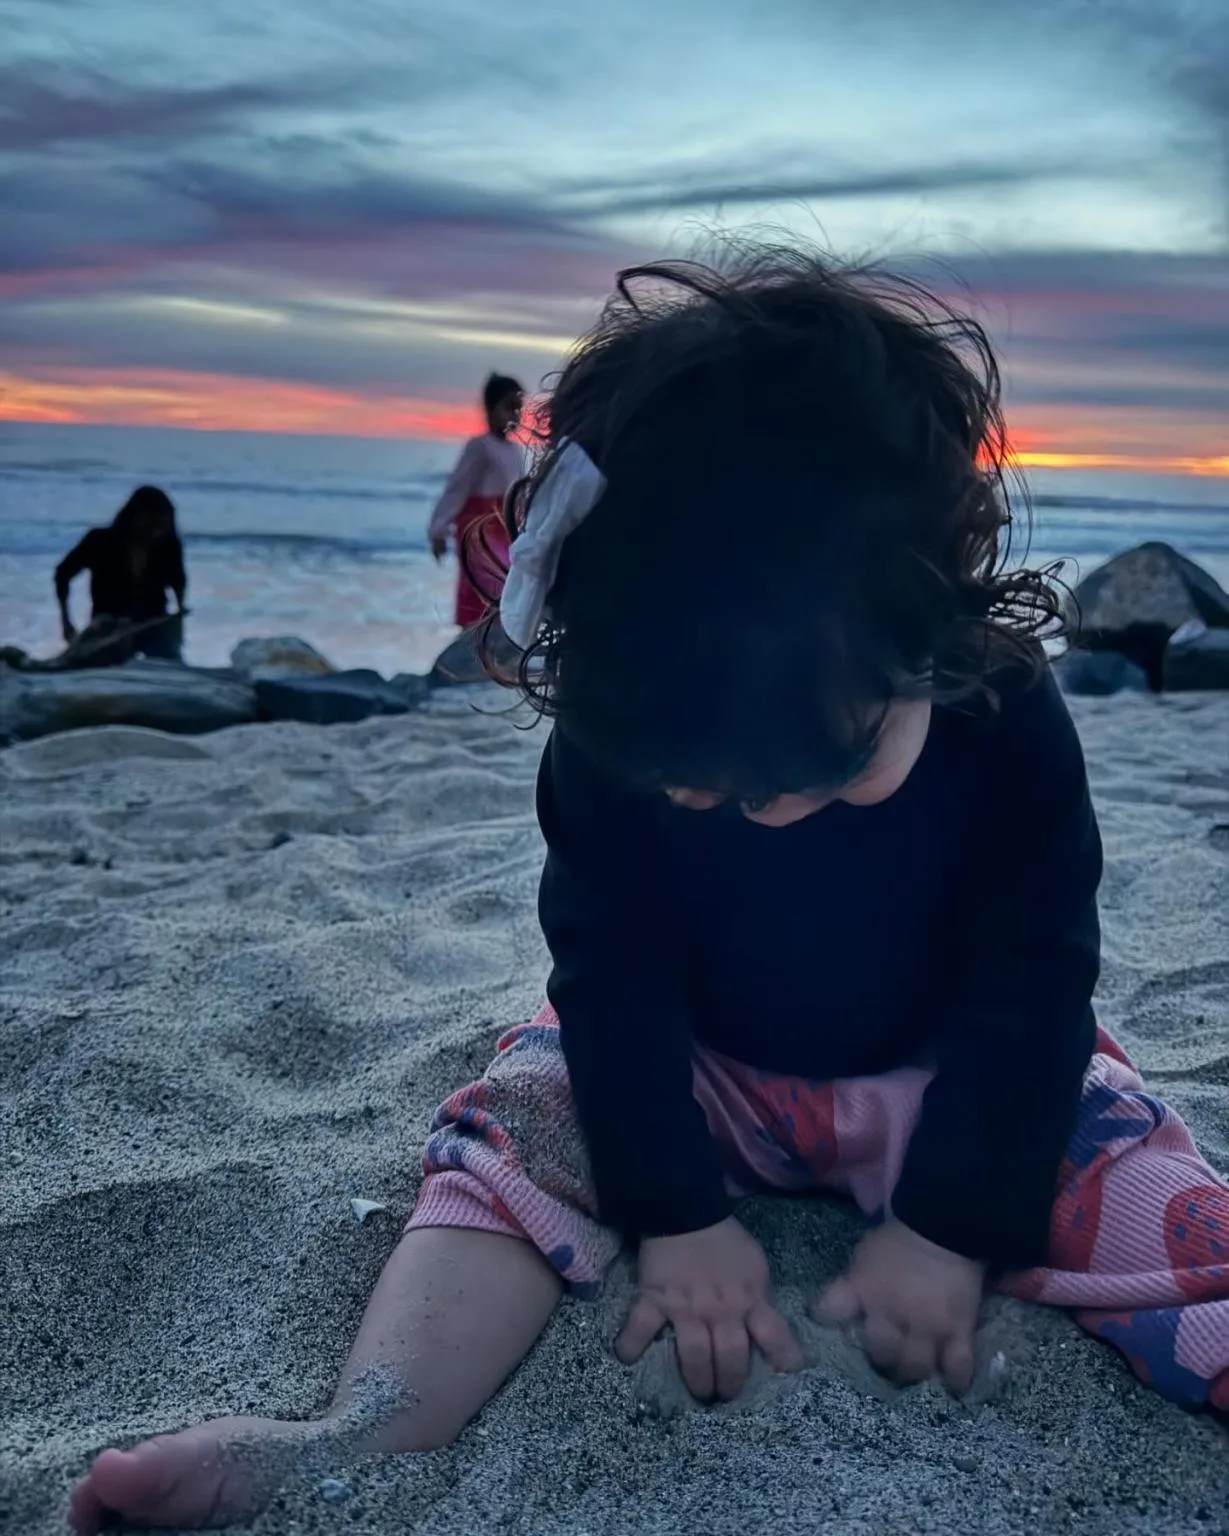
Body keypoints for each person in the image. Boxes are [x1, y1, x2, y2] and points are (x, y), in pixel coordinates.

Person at [68, 250, 1229, 1534]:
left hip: (959, 1073)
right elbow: (611, 982)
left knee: (1164, 1210)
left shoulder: (999, 713)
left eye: (830, 767)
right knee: (516, 1123)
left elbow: (1033, 983)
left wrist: (949, 1230)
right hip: (696, 1068)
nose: (765, 807)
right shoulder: (617, 737)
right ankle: (371, 1426)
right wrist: (672, 1217)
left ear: (934, 620)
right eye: (706, 783)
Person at [427, 373, 525, 627]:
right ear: (490, 409)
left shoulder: (515, 450)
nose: (515, 415)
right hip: (478, 527)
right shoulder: (480, 447)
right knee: (481, 585)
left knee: (504, 584)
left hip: (505, 526)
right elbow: (457, 488)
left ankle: (494, 640)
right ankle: (472, 641)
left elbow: (520, 493)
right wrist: (438, 528)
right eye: (508, 408)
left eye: (518, 409)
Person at [55, 486, 187, 662]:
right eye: (153, 523)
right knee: (93, 658)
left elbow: (178, 582)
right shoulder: (100, 541)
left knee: (168, 661)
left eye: (163, 525)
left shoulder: (168, 545)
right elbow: (62, 574)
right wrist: (66, 621)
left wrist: (178, 620)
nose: (158, 531)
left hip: (152, 623)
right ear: (134, 517)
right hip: (108, 623)